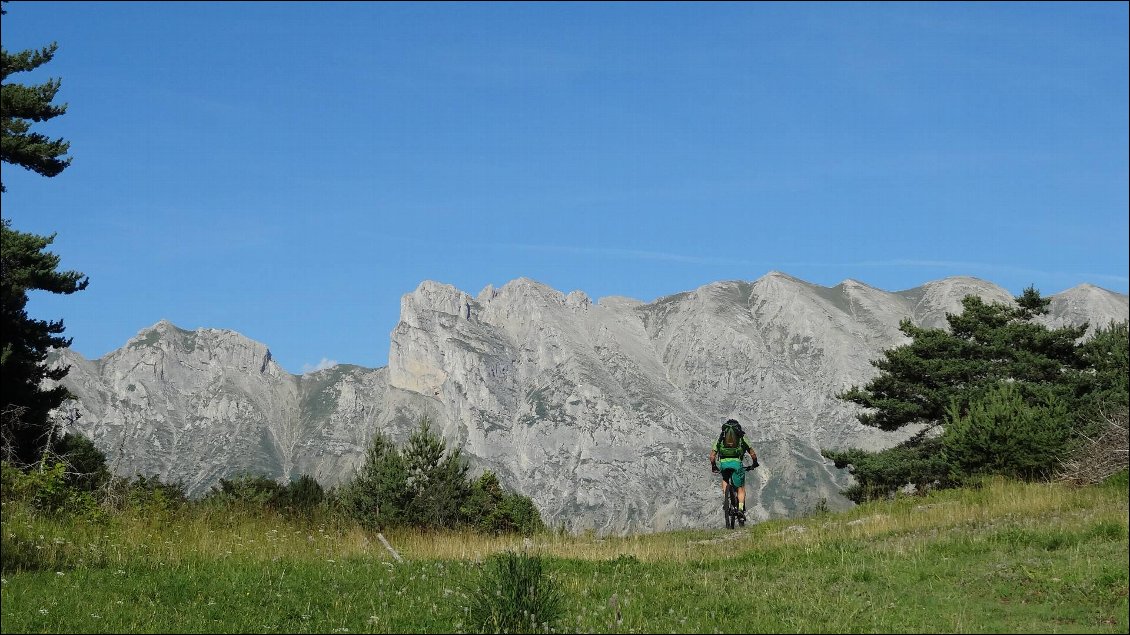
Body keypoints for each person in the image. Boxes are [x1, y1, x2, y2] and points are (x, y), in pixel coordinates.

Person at [710, 418, 758, 518]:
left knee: (725, 479)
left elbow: (712, 456)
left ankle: (726, 500)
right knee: (740, 488)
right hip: (736, 464)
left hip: (723, 463)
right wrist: (755, 463)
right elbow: (752, 453)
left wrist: (714, 466)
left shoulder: (721, 438)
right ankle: (740, 509)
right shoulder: (741, 438)